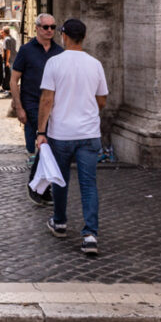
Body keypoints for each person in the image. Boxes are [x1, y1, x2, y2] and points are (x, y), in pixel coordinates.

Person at [36, 18, 108, 256]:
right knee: (89, 184)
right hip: (88, 133)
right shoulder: (95, 64)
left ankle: (59, 222)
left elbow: (47, 100)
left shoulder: (54, 63)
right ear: (84, 37)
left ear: (63, 36)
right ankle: (90, 235)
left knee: (60, 180)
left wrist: (41, 132)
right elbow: (102, 100)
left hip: (61, 133)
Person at [10, 13, 64, 203]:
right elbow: (14, 80)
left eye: (53, 27)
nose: (50, 30)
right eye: (45, 27)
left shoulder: (60, 51)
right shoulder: (26, 50)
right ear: (37, 28)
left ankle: (42, 187)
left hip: (55, 106)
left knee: (48, 146)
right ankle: (36, 185)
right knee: (46, 142)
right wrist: (18, 107)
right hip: (33, 104)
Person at [0, 27, 16, 95]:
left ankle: (10, 90)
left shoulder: (6, 40)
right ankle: (9, 89)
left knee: (8, 75)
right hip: (14, 58)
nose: (1, 33)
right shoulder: (13, 39)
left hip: (9, 59)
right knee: (11, 75)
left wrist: (7, 61)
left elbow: (8, 51)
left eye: (2, 32)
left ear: (4, 32)